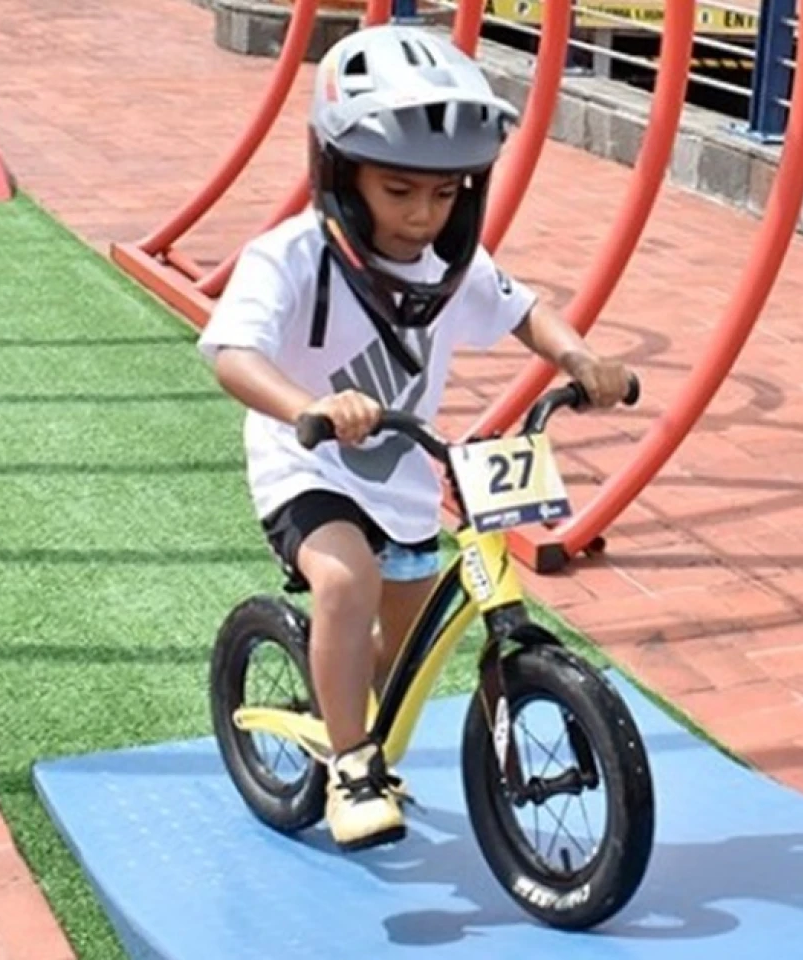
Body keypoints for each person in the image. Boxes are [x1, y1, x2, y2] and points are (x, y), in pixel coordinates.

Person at [197, 24, 632, 852]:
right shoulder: (290, 257)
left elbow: (525, 310)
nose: (424, 216)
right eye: (398, 191)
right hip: (307, 465)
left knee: (400, 651)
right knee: (345, 580)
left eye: (446, 194)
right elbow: (231, 353)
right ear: (340, 174)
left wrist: (579, 357)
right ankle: (350, 765)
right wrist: (308, 406)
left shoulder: (446, 265)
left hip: (401, 481)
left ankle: (348, 708)